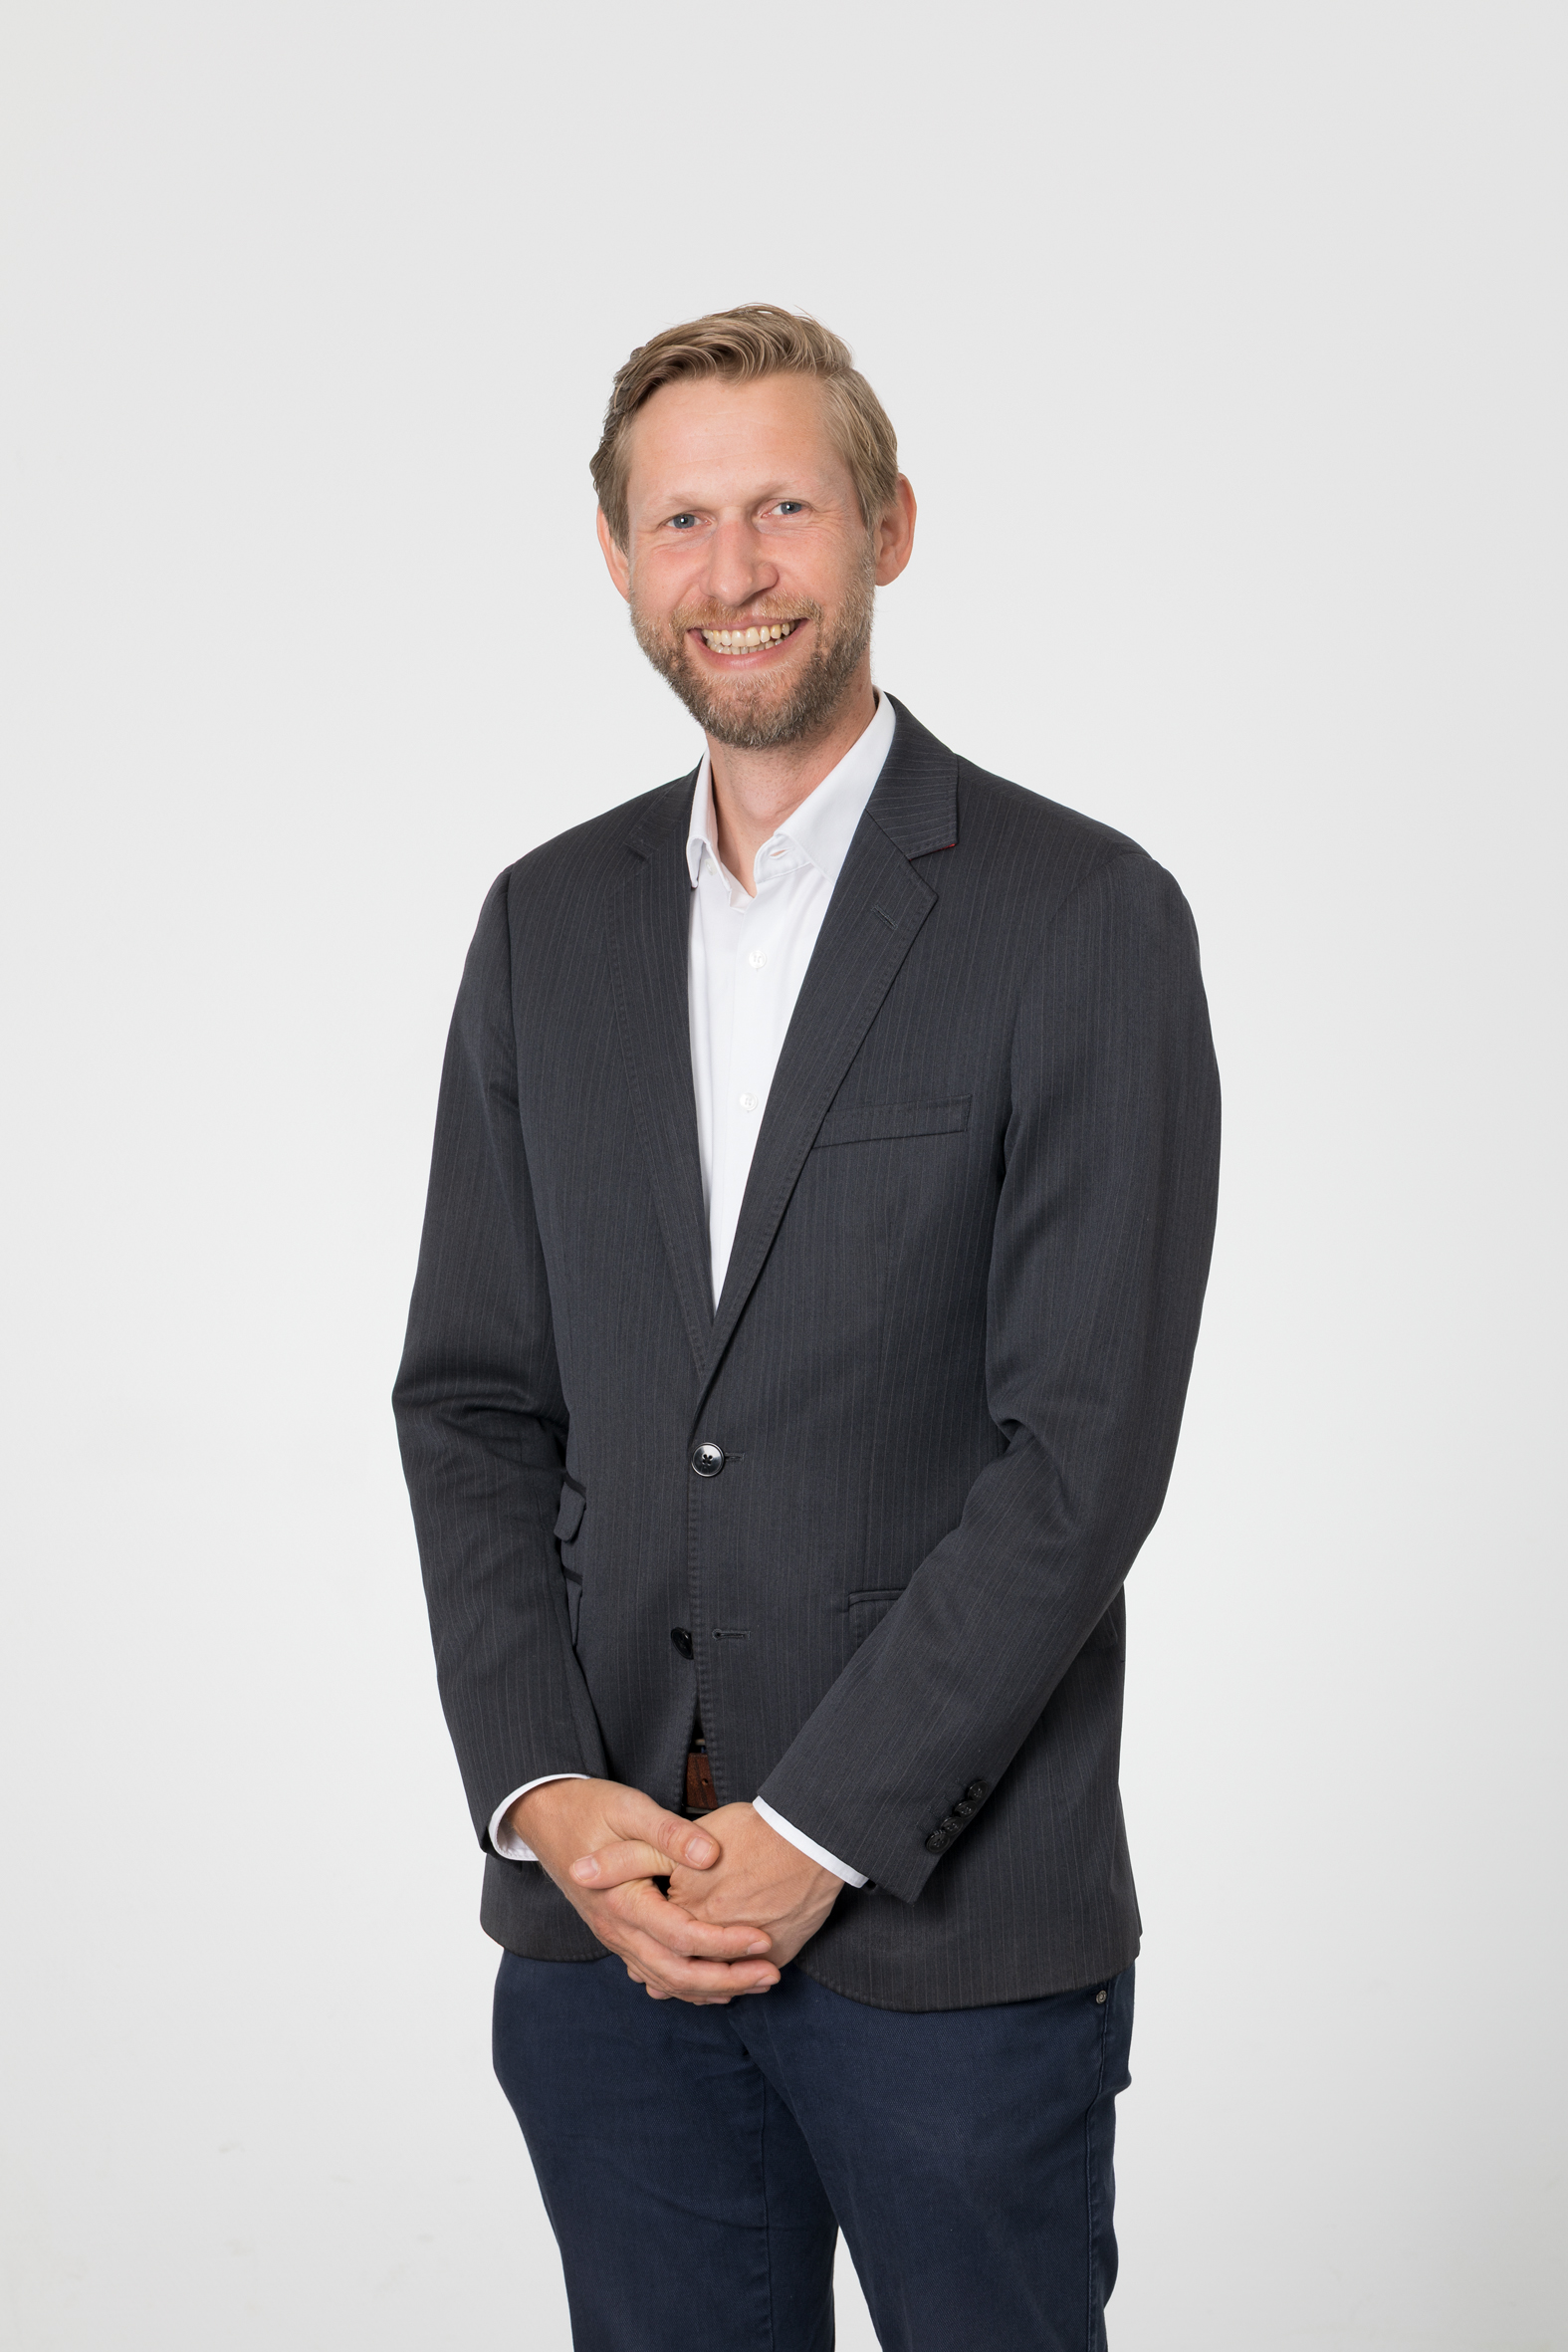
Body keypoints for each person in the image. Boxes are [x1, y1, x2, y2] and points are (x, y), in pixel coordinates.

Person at [393, 305, 1221, 2351]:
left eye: (784, 507)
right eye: (681, 519)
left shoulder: (1079, 915)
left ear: (887, 528)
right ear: (615, 555)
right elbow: (475, 1401)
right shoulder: (542, 924)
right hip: (606, 1935)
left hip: (952, 1937)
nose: (734, 568)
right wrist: (538, 1787)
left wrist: (815, 1826)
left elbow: (1079, 1453)